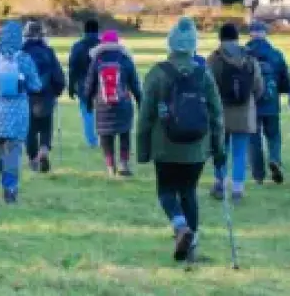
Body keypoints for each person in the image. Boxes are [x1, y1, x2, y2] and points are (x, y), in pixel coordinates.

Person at [137, 17, 225, 262]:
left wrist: (142, 150)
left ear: (170, 43)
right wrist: (219, 150)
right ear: (194, 44)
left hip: (165, 146)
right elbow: (217, 115)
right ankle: (192, 247)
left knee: (166, 191)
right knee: (189, 192)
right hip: (197, 147)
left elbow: (145, 116)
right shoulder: (204, 74)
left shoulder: (157, 73)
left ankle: (179, 226)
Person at [0, 21, 42, 204]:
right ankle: (10, 189)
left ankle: (5, 182)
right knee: (13, 153)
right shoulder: (24, 59)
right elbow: (36, 85)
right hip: (18, 114)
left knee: (1, 151)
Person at [207, 23, 263, 201]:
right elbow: (258, 86)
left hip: (220, 111)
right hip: (244, 112)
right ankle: (237, 189)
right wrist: (250, 101)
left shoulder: (214, 59)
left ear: (220, 38)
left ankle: (220, 184)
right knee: (240, 152)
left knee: (220, 150)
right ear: (237, 38)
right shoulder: (249, 58)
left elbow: (207, 86)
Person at [84, 30, 142, 176]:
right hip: (123, 104)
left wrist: (88, 102)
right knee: (124, 133)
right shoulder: (125, 59)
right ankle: (123, 163)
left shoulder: (97, 61)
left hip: (103, 105)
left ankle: (110, 166)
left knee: (106, 135)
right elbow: (135, 84)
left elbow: (90, 85)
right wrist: (140, 101)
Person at [245, 21, 290, 185]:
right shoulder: (276, 54)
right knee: (273, 136)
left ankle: (258, 175)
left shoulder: (244, 54)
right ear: (265, 33)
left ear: (250, 34)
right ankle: (274, 160)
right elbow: (285, 81)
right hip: (271, 101)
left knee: (253, 139)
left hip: (250, 104)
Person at [21, 21, 66, 173]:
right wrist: (57, 91)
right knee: (46, 127)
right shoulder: (48, 52)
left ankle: (33, 158)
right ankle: (44, 150)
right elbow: (58, 76)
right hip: (46, 96)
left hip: (26, 97)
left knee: (29, 130)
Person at [68, 19, 101, 148]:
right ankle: (104, 137)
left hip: (83, 84)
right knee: (102, 112)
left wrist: (71, 86)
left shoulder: (78, 46)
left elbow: (72, 68)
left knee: (87, 113)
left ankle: (91, 141)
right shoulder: (102, 45)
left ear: (85, 30)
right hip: (102, 83)